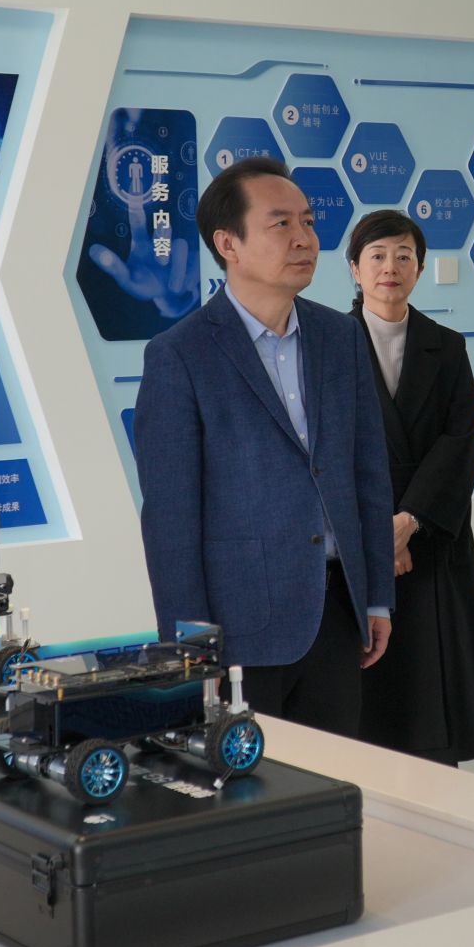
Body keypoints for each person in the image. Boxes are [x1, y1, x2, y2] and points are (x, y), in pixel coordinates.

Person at [133, 157, 395, 736]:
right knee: (249, 780)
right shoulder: (180, 355)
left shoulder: (340, 336)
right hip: (238, 628)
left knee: (334, 776)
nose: (304, 238)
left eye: (308, 222)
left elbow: (368, 475)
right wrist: (189, 644)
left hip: (336, 613)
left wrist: (376, 596)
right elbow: (171, 516)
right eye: (281, 224)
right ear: (228, 243)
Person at [345, 209, 474, 764]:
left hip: (432, 535)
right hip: (358, 538)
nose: (390, 267)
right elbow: (326, 448)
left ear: (419, 268)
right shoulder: (329, 343)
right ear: (355, 269)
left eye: (404, 256)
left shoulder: (447, 345)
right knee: (366, 702)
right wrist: (379, 533)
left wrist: (409, 521)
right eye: (377, 256)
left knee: (432, 696)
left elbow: (459, 441)